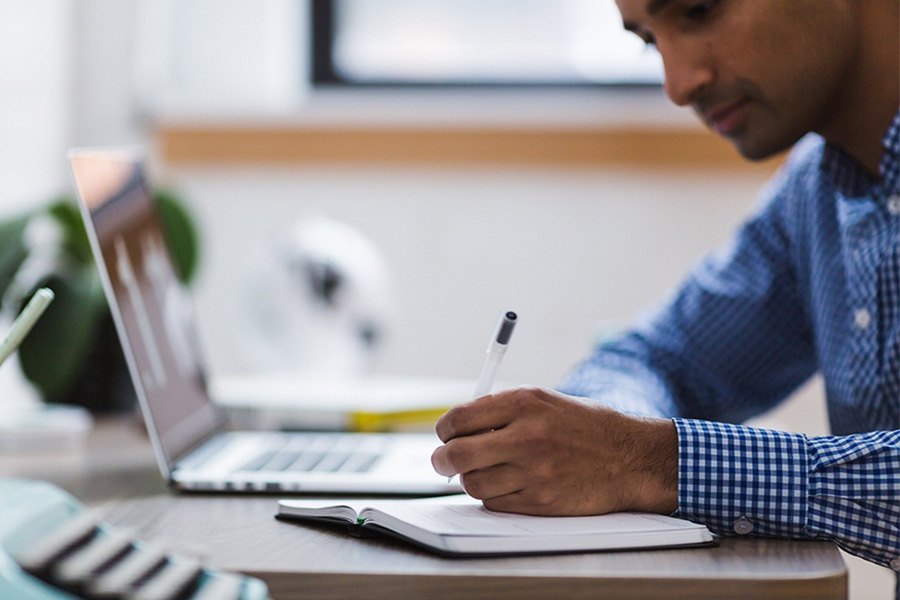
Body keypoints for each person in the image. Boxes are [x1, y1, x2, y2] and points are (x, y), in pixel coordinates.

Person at [431, 0, 900, 587]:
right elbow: (657, 358)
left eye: (699, 12)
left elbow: (644, 451)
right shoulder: (818, 191)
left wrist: (652, 462)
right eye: (650, 41)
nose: (678, 86)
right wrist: (596, 443)